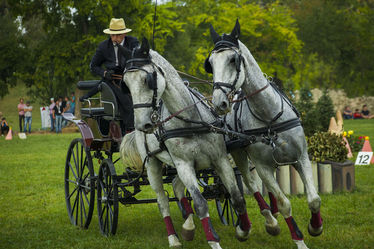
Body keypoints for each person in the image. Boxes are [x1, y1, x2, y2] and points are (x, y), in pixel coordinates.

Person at [88, 17, 139, 134]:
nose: (115, 38)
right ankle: (130, 131)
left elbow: (138, 59)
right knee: (128, 102)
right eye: (112, 35)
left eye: (118, 35)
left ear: (125, 33)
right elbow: (93, 66)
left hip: (131, 79)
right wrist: (104, 73)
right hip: (112, 81)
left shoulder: (133, 43)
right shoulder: (103, 47)